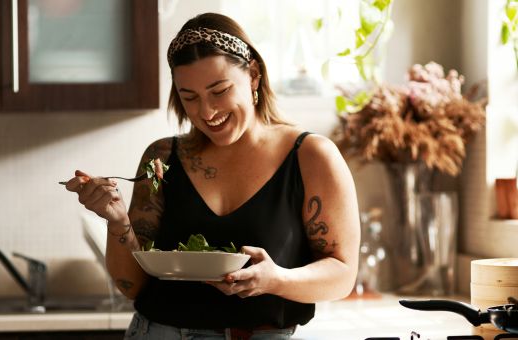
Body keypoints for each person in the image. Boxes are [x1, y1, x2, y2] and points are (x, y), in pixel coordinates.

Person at [65, 12, 360, 340]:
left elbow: (343, 275)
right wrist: (117, 221)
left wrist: (274, 280)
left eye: (219, 91)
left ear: (253, 76)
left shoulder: (311, 157)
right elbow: (131, 285)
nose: (206, 112)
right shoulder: (162, 159)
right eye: (189, 97)